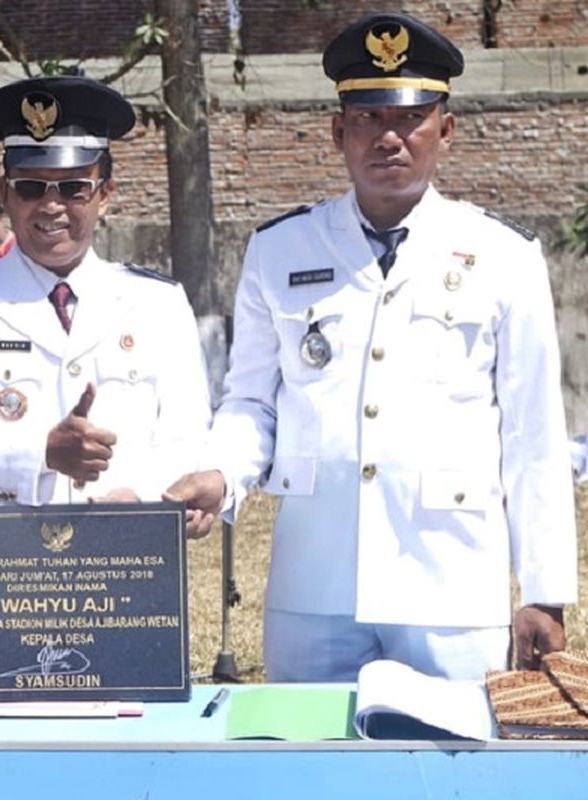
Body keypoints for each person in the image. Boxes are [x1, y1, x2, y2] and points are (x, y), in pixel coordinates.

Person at [165, 12, 578, 681]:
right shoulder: (281, 250)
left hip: (451, 586)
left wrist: (543, 589)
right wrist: (223, 474)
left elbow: (534, 433)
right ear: (338, 130)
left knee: (454, 777)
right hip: (316, 586)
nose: (389, 136)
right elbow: (251, 401)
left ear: (445, 130)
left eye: (409, 117)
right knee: (311, 771)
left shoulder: (505, 256)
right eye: (367, 117)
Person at [0, 76, 212, 505]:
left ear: (104, 195)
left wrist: (141, 492)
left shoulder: (157, 304)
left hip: (126, 549)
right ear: (5, 194)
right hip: (2, 559)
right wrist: (39, 454)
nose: (51, 206)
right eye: (30, 187)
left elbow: (188, 433)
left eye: (73, 187)